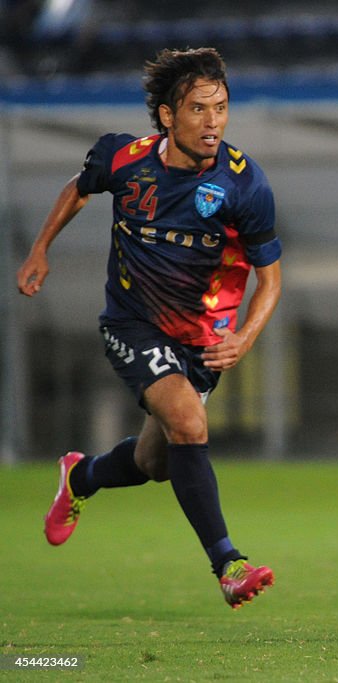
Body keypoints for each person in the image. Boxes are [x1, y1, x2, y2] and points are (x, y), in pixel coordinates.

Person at [17, 47, 281, 608]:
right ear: (167, 116)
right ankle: (229, 563)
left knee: (154, 462)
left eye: (222, 108)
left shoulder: (244, 184)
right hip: (132, 322)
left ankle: (80, 477)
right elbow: (79, 187)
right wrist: (40, 250)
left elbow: (271, 279)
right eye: (199, 110)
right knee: (189, 423)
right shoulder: (124, 158)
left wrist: (244, 337)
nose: (213, 123)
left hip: (203, 343)